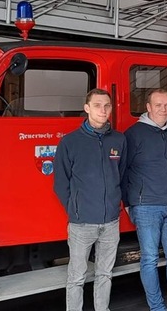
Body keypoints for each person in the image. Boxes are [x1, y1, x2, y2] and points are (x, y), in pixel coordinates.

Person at [53, 88, 126, 311]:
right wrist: (75, 209)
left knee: (105, 274)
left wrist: (114, 204)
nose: (102, 110)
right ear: (86, 108)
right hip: (81, 224)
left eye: (107, 106)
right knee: (76, 277)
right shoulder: (70, 142)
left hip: (111, 222)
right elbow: (60, 184)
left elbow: (120, 175)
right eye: (97, 105)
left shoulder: (119, 139)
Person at [122, 89, 167, 311]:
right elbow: (123, 171)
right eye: (159, 105)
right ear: (148, 107)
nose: (164, 109)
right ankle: (157, 308)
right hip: (146, 207)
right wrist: (127, 203)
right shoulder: (133, 134)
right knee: (150, 259)